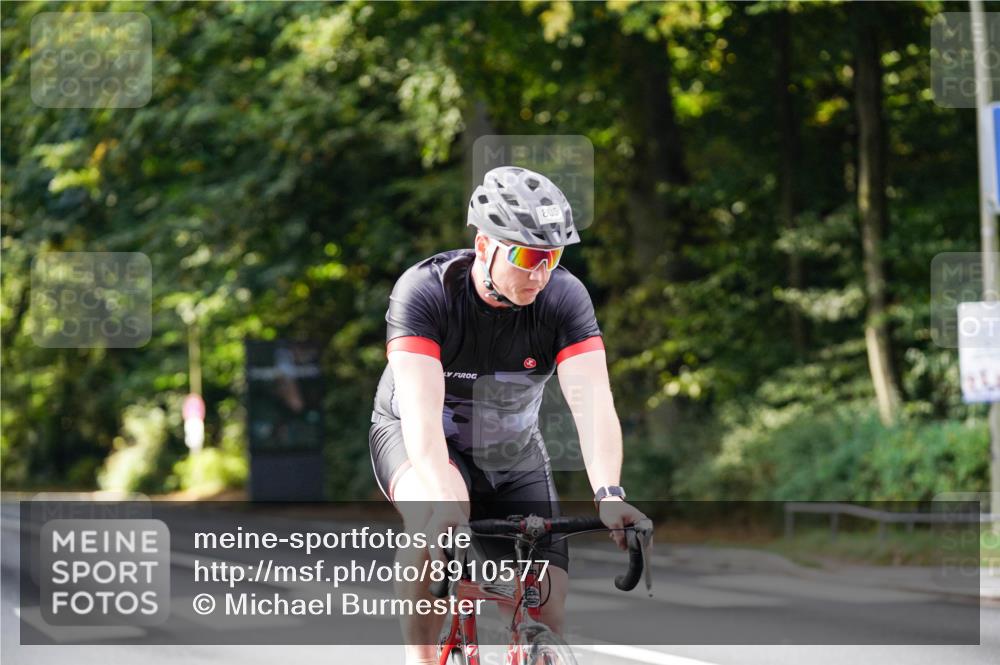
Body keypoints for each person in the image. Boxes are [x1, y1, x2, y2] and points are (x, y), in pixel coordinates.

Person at [369, 166, 647, 665]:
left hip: (511, 449)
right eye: (527, 256)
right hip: (422, 437)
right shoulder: (424, 292)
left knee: (549, 609)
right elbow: (421, 416)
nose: (540, 274)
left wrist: (609, 493)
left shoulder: (563, 299)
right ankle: (421, 659)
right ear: (483, 247)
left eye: (553, 257)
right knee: (431, 521)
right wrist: (449, 507)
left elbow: (594, 402)